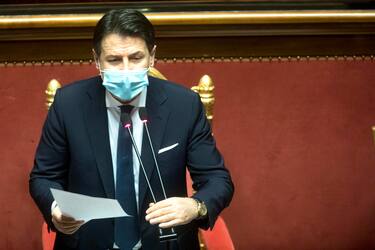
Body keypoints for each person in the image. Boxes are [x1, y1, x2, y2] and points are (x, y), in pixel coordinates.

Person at [29, 9, 234, 250]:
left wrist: (196, 206)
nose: (126, 70)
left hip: (165, 244)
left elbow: (218, 180)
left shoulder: (184, 105)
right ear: (96, 60)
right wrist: (56, 209)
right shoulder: (68, 104)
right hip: (87, 242)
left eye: (136, 58)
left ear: (152, 56)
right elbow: (43, 177)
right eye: (114, 60)